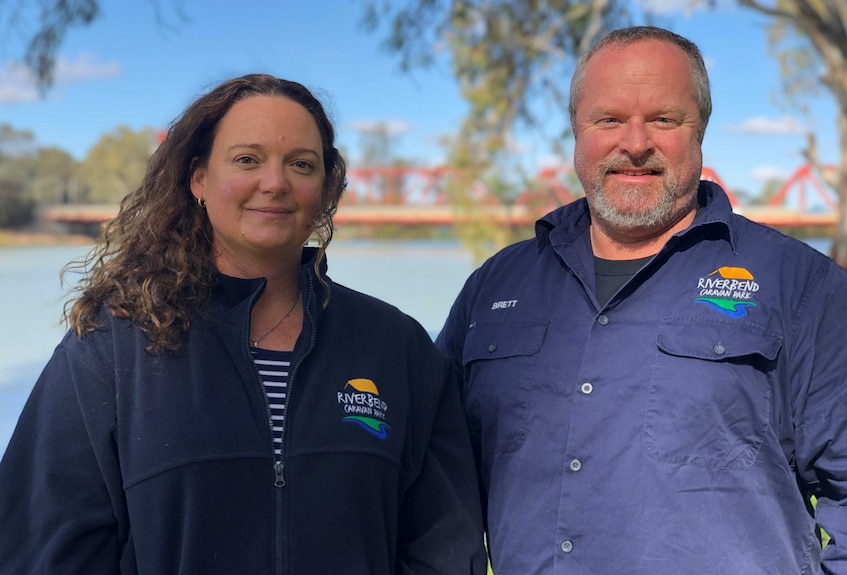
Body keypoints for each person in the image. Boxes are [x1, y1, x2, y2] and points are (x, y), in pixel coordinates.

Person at [0, 74, 487, 574]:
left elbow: (446, 545)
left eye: (301, 164)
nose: (275, 183)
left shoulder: (397, 347)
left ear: (324, 189)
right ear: (199, 181)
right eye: (247, 159)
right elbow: (44, 547)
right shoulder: (113, 347)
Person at [436, 26, 847, 574]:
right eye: (608, 119)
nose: (635, 144)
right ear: (576, 131)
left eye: (664, 119)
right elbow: (435, 481)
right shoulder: (494, 288)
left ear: (700, 131)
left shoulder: (802, 287)